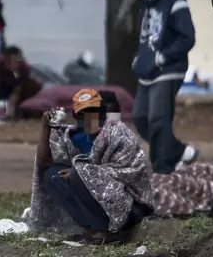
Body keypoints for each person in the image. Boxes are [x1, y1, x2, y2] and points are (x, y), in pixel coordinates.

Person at [37, 89, 153, 244]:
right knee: (52, 175)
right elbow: (44, 162)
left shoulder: (118, 133)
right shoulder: (76, 137)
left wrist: (81, 171)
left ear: (102, 113)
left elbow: (129, 173)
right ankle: (92, 228)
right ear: (77, 117)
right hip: (98, 204)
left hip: (129, 207)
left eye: (93, 111)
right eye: (84, 113)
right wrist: (46, 128)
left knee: (78, 173)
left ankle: (110, 232)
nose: (89, 117)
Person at [131, 0, 199, 174]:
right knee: (141, 118)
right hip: (147, 72)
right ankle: (178, 152)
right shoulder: (145, 5)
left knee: (158, 119)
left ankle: (163, 168)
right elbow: (147, 37)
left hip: (169, 69)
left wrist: (164, 57)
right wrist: (139, 57)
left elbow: (187, 37)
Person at [0, 46, 43, 119]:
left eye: (15, 60)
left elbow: (20, 85)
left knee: (34, 85)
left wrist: (13, 100)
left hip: (20, 89)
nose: (12, 63)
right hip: (3, 87)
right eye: (8, 60)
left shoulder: (24, 68)